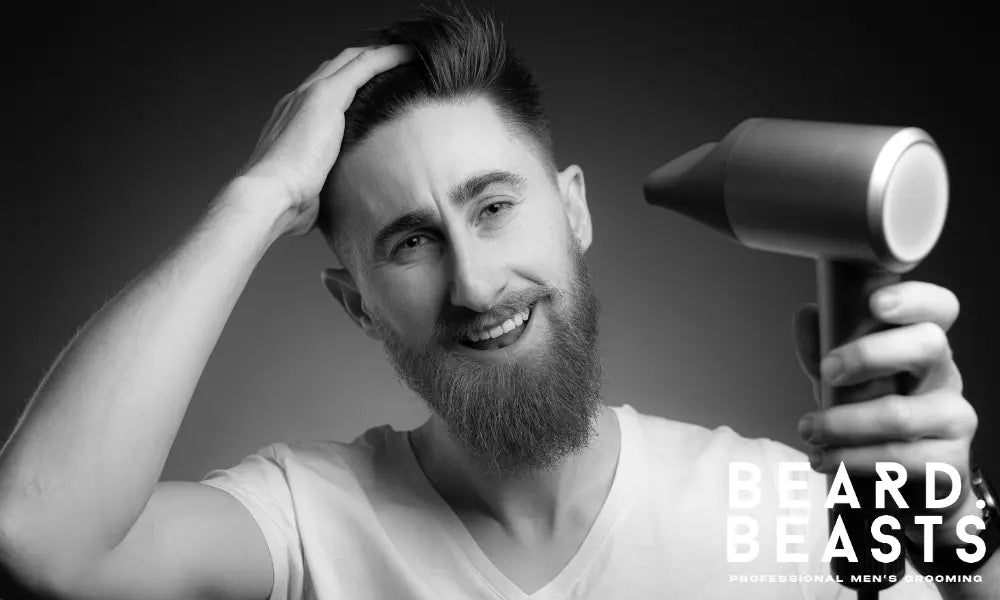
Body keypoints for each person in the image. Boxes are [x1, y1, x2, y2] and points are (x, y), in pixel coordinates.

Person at [0, 6, 996, 600]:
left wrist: (959, 536)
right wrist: (257, 200)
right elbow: (41, 536)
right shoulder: (306, 527)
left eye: (493, 205)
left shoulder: (773, 511)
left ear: (572, 210)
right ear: (356, 305)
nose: (474, 285)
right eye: (409, 242)